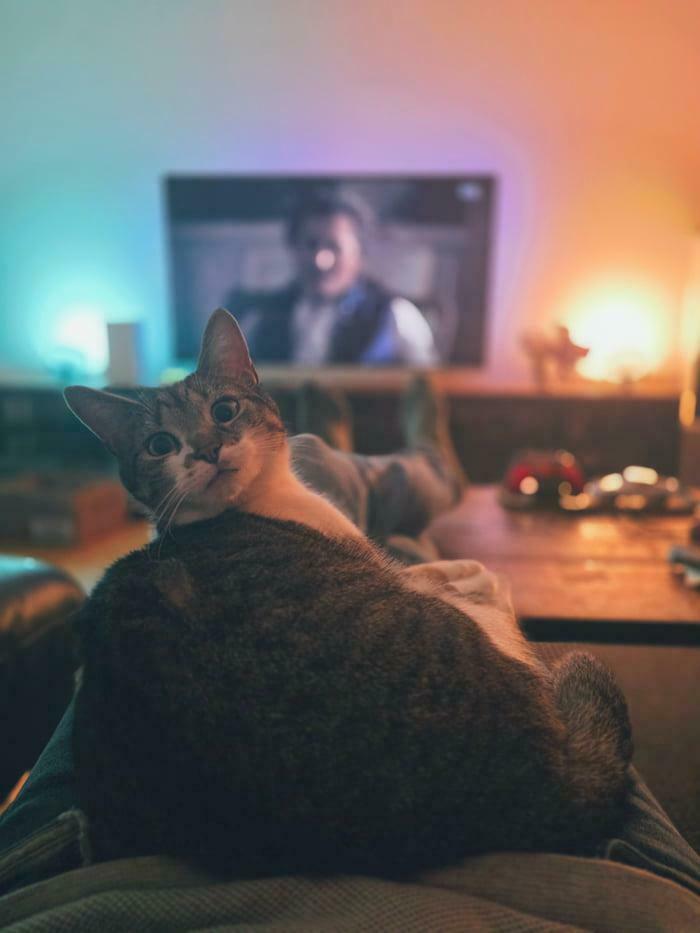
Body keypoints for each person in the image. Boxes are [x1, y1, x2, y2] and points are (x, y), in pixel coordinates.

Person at [1, 380, 700, 913]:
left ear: (243, 381)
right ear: (132, 471)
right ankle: (423, 462)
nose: (207, 448)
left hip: (175, 832)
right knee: (392, 540)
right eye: (160, 444)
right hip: (498, 793)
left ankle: (381, 460)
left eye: (222, 414)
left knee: (331, 498)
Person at [225, 192, 439, 366]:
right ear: (293, 248)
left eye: (334, 247)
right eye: (311, 244)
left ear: (360, 253)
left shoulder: (396, 315)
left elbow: (431, 389)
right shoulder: (260, 317)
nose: (320, 261)